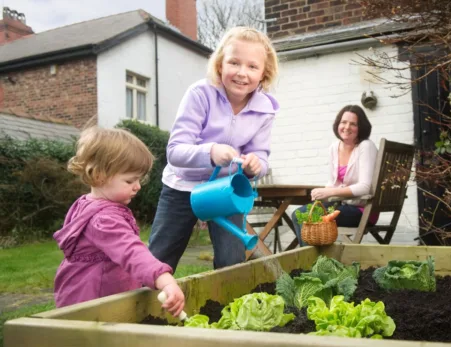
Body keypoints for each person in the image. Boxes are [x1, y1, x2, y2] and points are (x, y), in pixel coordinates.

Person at [148, 26, 279, 271]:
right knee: (159, 259)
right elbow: (175, 150)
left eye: (252, 66)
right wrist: (210, 152)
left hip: (224, 190)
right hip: (182, 186)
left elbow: (260, 154)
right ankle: (144, 307)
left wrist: (255, 165)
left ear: (264, 73)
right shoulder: (200, 94)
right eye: (234, 63)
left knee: (232, 261)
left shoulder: (265, 110)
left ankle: (224, 308)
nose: (242, 73)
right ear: (220, 65)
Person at [53, 127, 185, 316]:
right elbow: (131, 252)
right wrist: (165, 280)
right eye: (130, 181)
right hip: (95, 304)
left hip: (83, 295)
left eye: (139, 179)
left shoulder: (85, 205)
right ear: (100, 176)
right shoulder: (103, 219)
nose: (138, 186)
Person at [291, 105, 379, 246]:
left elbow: (365, 187)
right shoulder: (334, 147)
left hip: (362, 209)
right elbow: (333, 183)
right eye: (343, 122)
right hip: (341, 205)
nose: (347, 127)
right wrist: (322, 193)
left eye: (353, 124)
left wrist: (329, 192)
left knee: (310, 216)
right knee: (297, 215)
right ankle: (312, 260)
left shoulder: (366, 146)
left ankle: (313, 263)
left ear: (361, 127)